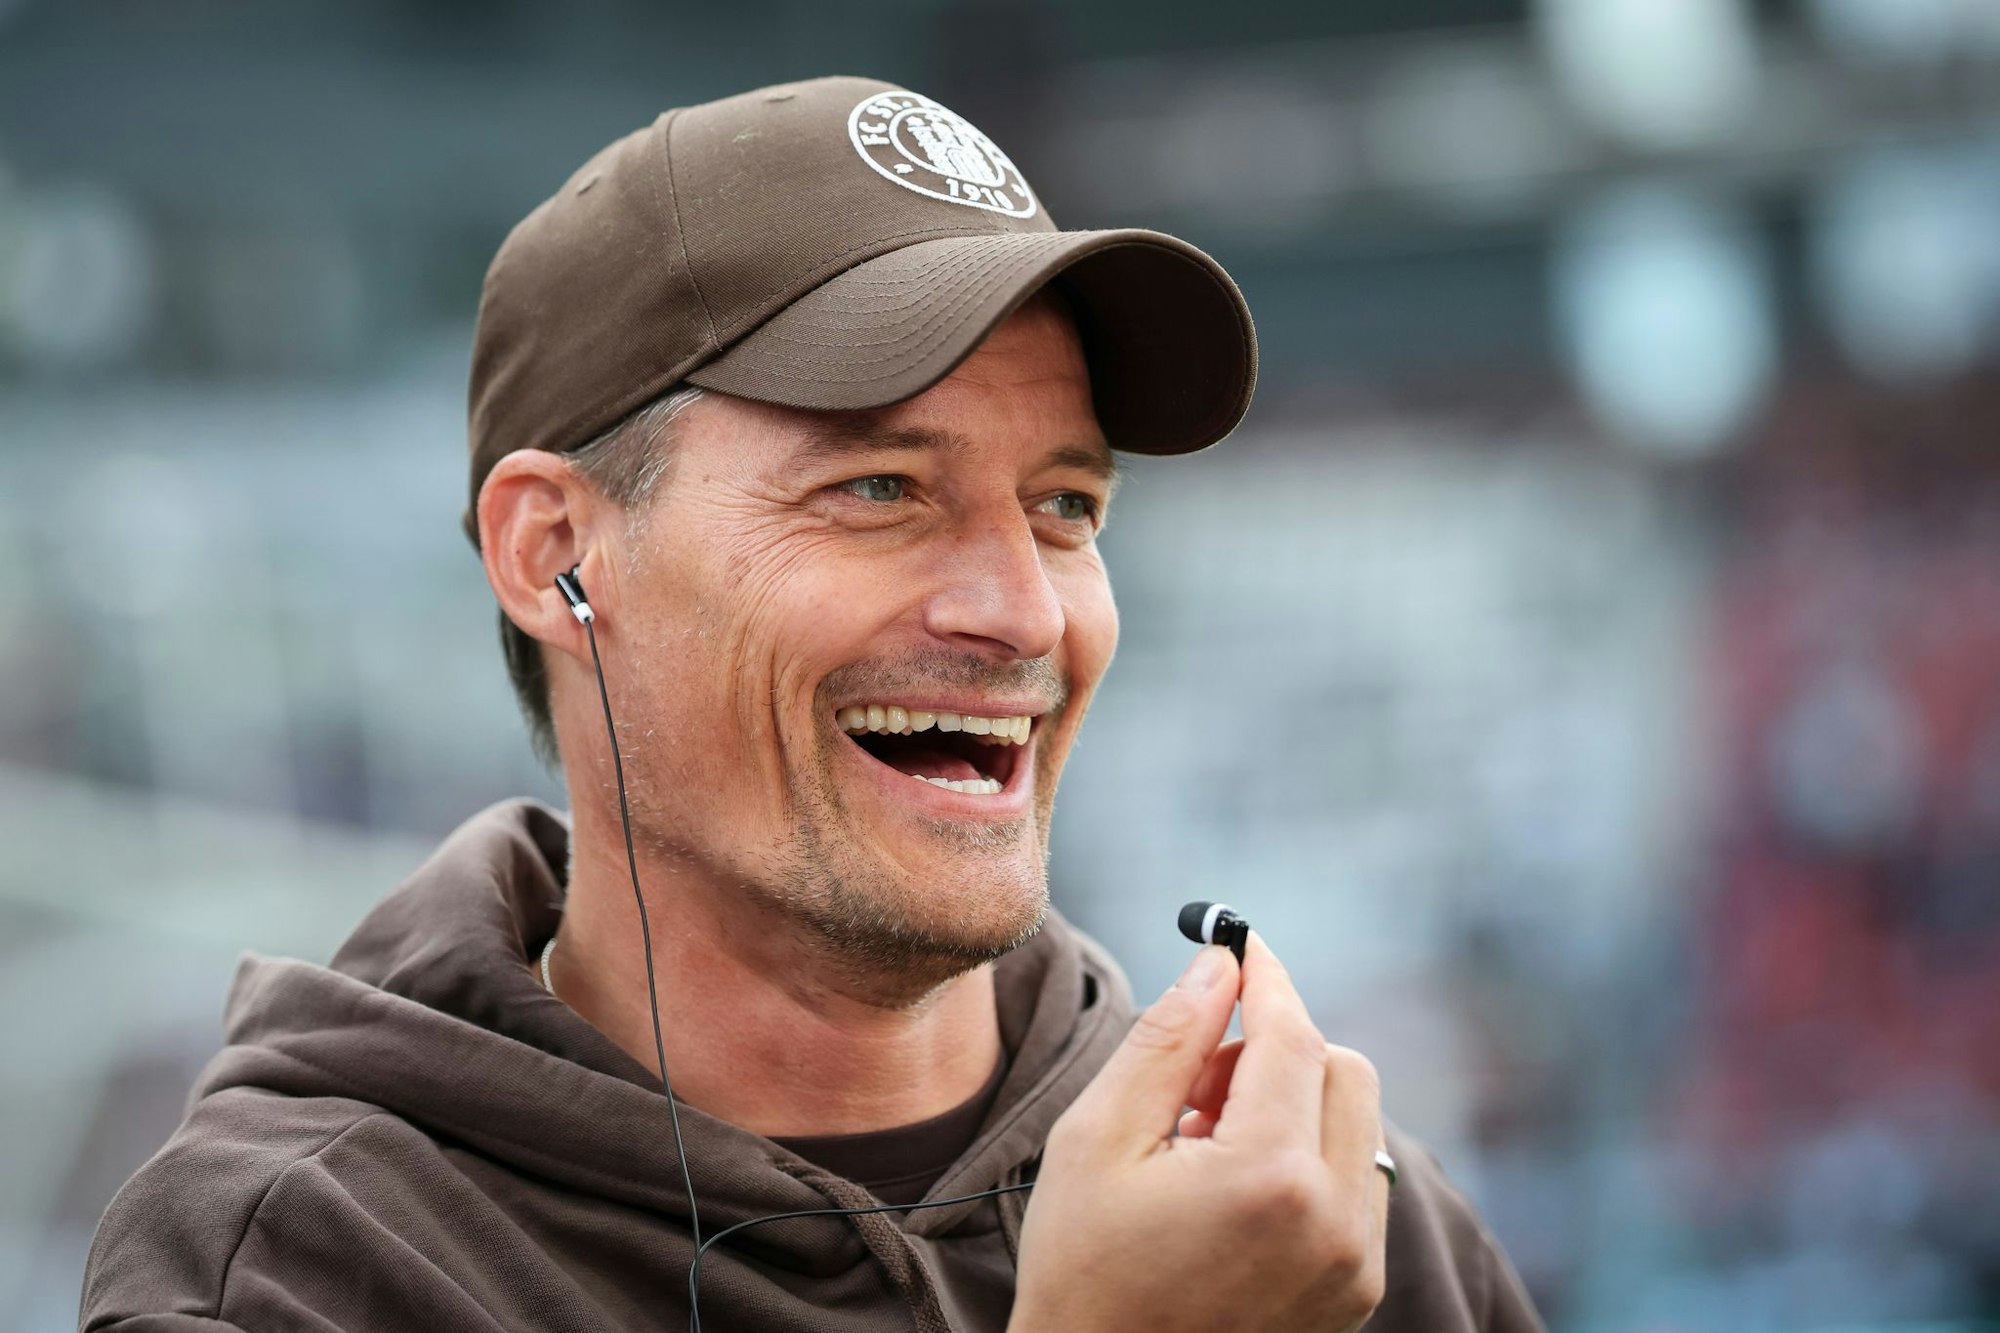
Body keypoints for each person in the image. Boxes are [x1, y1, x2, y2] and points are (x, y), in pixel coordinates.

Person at [80, 77, 1543, 1332]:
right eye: (881, 489)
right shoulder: (309, 1266)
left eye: (1065, 504)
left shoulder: (1305, 1210)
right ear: (555, 554)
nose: (1023, 609)